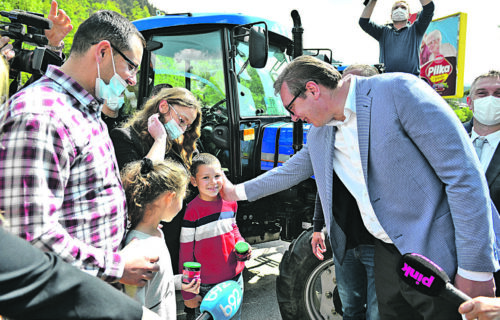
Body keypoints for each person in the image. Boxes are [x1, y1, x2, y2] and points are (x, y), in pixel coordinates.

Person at [221, 55, 500, 319]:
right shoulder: (321, 133)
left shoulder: (398, 92)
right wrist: (235, 192)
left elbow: (463, 176)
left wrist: (476, 269)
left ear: (312, 89)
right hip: (389, 256)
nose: (293, 117)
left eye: (291, 107)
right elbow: (289, 171)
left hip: (437, 254)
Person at [0, 39, 160, 320]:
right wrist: (117, 265)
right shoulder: (41, 115)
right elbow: (30, 239)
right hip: (62, 304)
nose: (133, 80)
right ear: (102, 52)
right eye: (131, 66)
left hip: (88, 294)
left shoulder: (84, 108)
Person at [312, 63, 380, 320]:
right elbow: (324, 182)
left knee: (377, 312)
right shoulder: (328, 129)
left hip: (377, 243)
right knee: (350, 308)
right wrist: (318, 226)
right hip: (345, 239)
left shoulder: (383, 129)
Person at [110, 86, 202, 274]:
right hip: (143, 237)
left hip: (175, 233)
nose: (182, 129)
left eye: (187, 126)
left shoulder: (177, 143)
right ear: (163, 106)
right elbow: (141, 184)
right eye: (181, 120)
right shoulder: (124, 137)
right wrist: (159, 140)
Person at [122, 158, 200, 319]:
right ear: (169, 198)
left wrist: (178, 282)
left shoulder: (156, 233)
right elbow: (132, 310)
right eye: (182, 195)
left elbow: (155, 286)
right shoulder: (140, 249)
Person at [179, 153, 251, 320]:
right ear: (194, 181)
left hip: (235, 279)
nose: (213, 182)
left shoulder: (230, 202)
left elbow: (233, 228)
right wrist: (188, 293)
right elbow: (186, 254)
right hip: (205, 286)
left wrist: (241, 244)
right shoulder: (192, 211)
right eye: (206, 177)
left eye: (217, 176)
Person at [464, 70, 500, 296]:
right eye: (482, 93)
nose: (491, 99)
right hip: (450, 261)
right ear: (470, 102)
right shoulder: (448, 136)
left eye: (498, 93)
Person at [359, 0, 434, 76]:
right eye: (396, 8)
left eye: (403, 8)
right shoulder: (383, 32)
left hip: (410, 80)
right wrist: (372, 1)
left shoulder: (416, 29)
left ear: (408, 15)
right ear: (391, 15)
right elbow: (363, 22)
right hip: (387, 80)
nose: (399, 9)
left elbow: (429, 8)